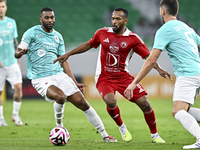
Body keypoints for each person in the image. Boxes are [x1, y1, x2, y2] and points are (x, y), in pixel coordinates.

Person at [54, 7, 171, 143]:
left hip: (123, 77)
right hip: (104, 77)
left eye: (118, 19)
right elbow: (88, 45)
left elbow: (148, 57)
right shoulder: (102, 33)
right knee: (111, 101)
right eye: (113, 18)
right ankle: (122, 127)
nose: (114, 21)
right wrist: (68, 54)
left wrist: (159, 69)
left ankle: (155, 135)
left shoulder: (133, 39)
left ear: (125, 21)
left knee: (145, 104)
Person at [15, 7, 117, 142]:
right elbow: (18, 50)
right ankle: (59, 127)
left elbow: (64, 61)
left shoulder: (58, 37)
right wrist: (20, 53)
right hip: (40, 77)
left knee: (82, 103)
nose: (50, 20)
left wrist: (74, 82)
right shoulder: (32, 32)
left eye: (52, 17)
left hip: (58, 75)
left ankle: (105, 135)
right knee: (61, 96)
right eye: (46, 17)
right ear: (41, 19)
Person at [124, 0, 200, 149]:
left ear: (162, 11)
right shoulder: (187, 28)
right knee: (185, 110)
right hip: (197, 71)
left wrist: (134, 82)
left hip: (188, 74)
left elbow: (151, 59)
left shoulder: (165, 30)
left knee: (178, 111)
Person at [0, 0, 23, 126]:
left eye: (2, 7)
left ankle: (15, 115)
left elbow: (15, 42)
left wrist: (18, 59)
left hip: (12, 62)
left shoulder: (11, 22)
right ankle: (0, 119)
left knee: (19, 88)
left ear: (6, 7)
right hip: (0, 65)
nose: (1, 9)